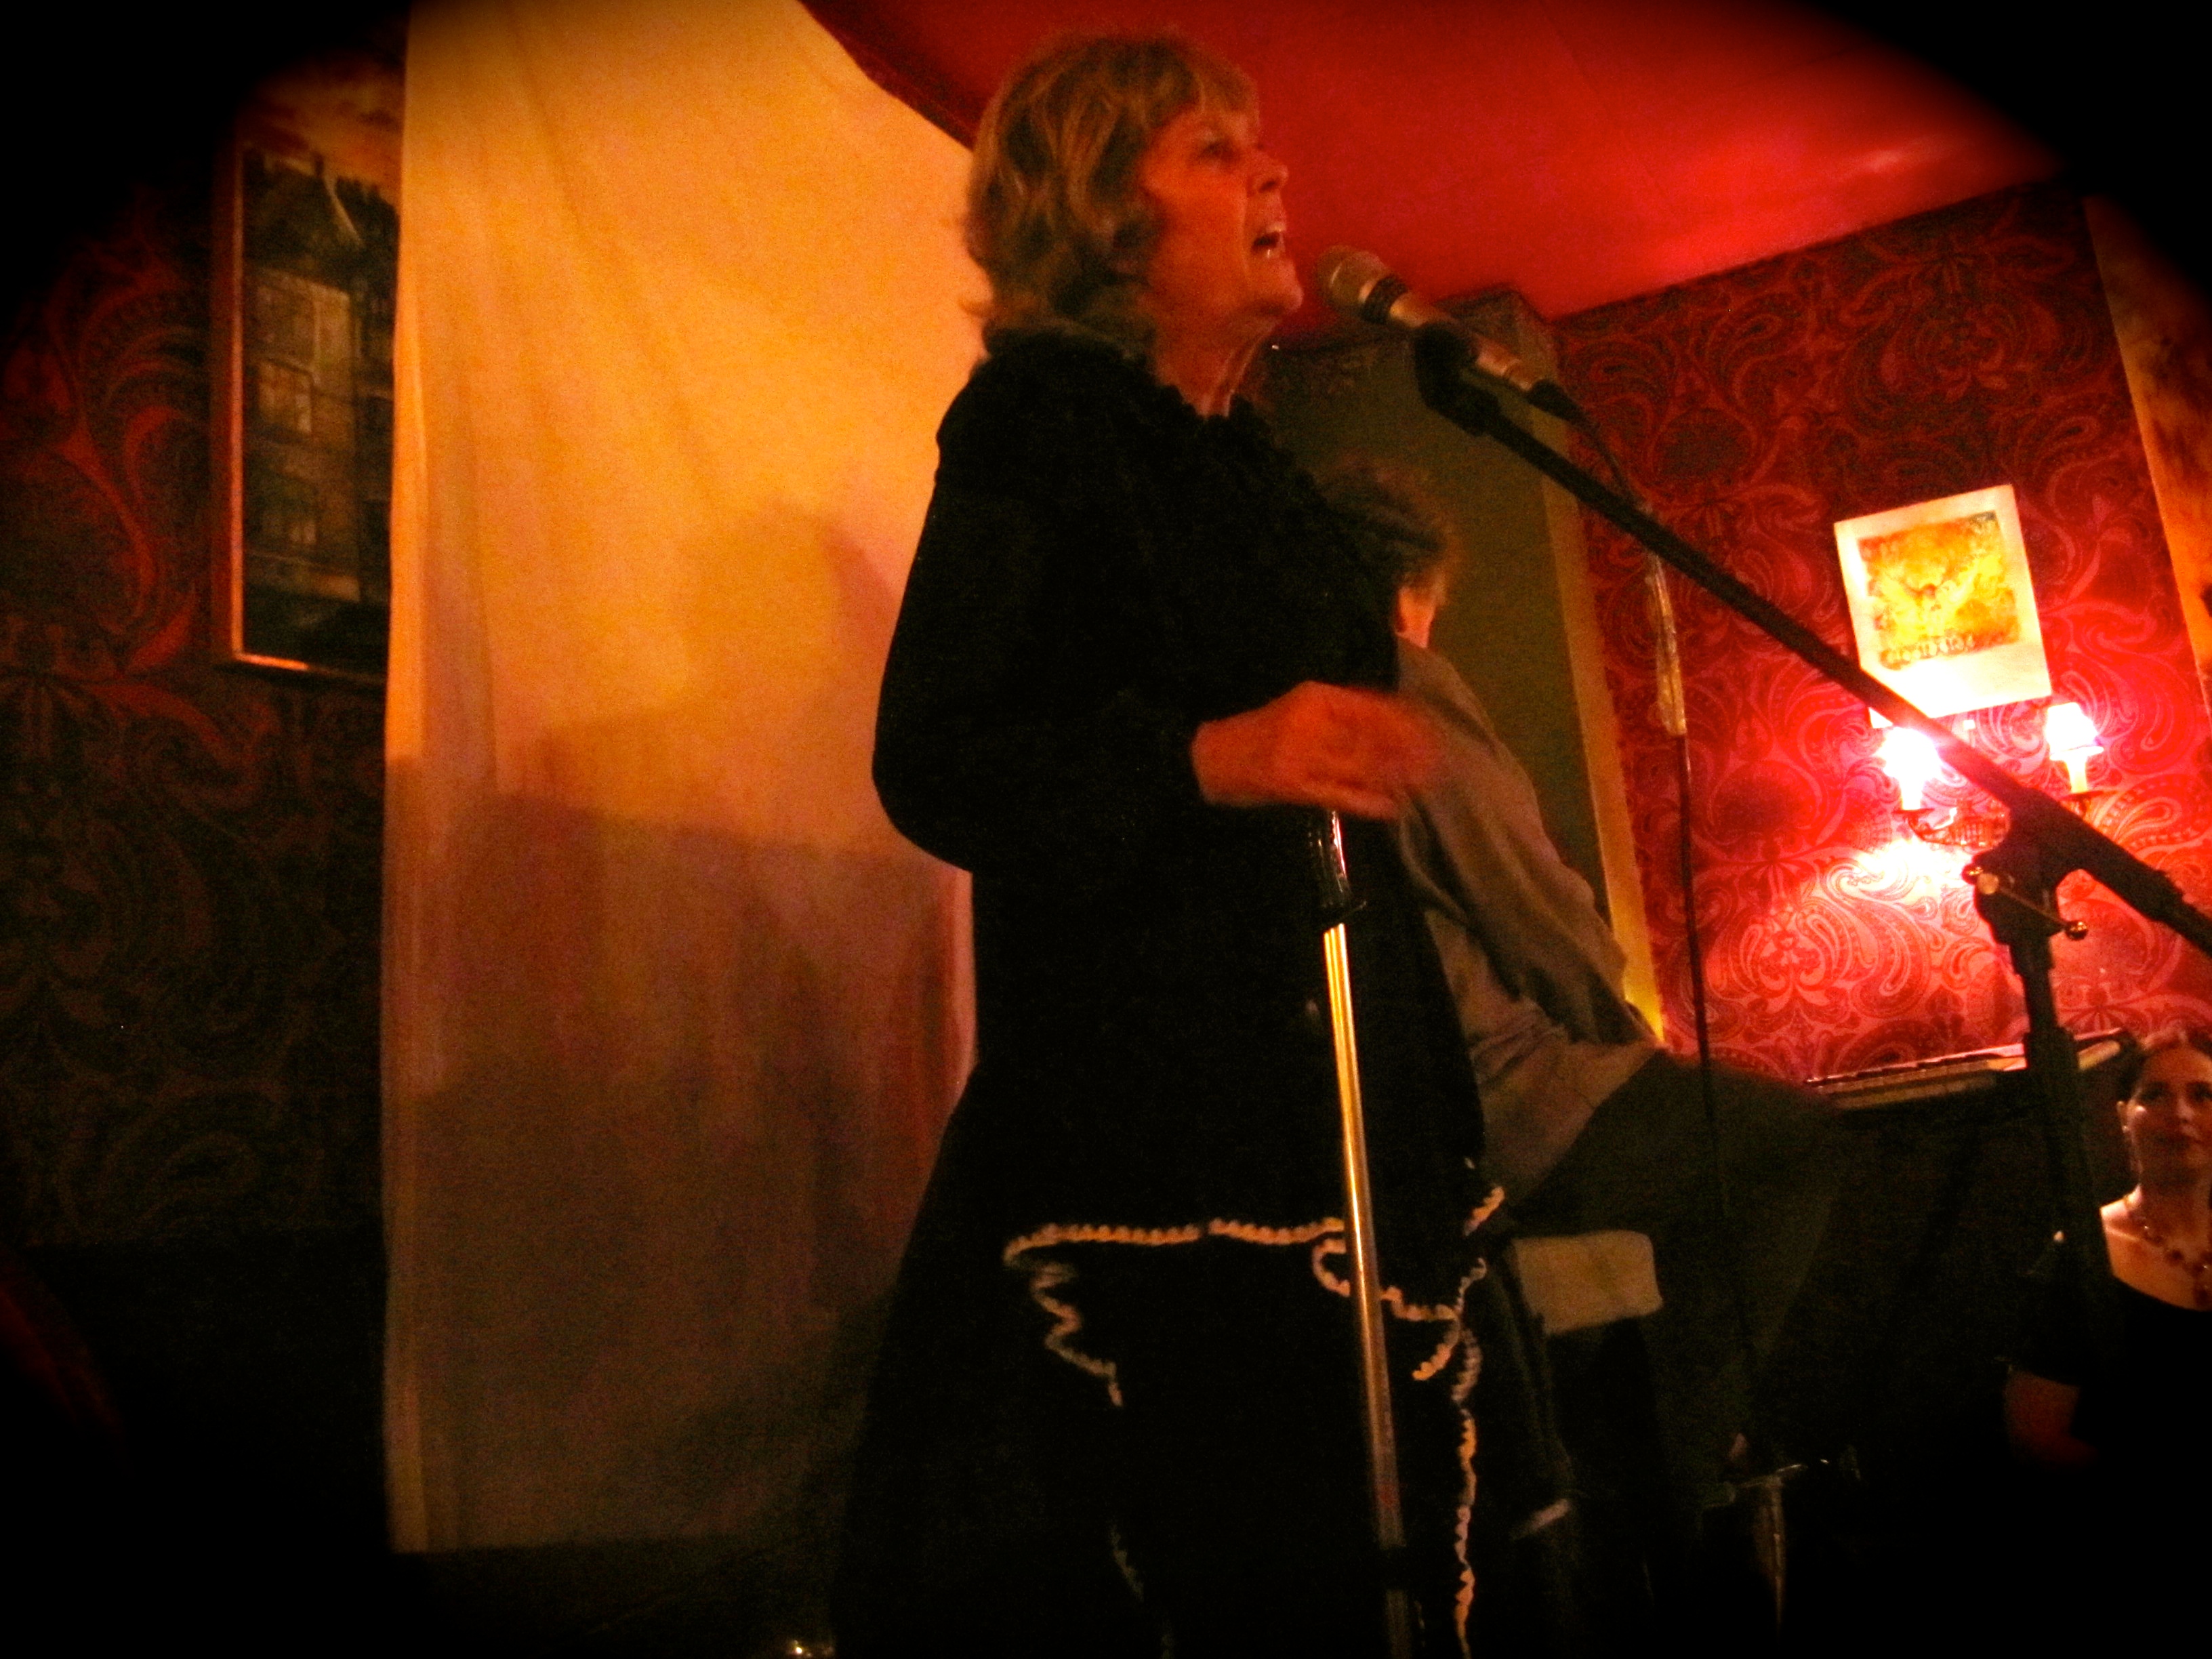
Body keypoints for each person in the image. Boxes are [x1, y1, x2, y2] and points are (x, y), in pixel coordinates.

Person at [835, 37, 1547, 1659]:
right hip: (1170, 1127)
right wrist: (1210, 756)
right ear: (1104, 213)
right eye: (1214, 150)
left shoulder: (1255, 468)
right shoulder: (1039, 423)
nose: (1272, 171)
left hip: (1345, 1100)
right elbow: (938, 758)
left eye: (1255, 144)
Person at [1321, 464, 1845, 1553]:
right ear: (1409, 590)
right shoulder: (1401, 681)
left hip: (1394, 1125)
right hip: (1502, 1102)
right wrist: (1623, 1028)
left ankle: (1638, 1457)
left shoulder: (1282, 706)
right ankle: (1674, 1477)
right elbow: (1527, 902)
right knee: (1789, 1141)